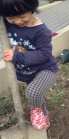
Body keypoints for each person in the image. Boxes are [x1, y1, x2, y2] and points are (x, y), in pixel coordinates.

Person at [0, 0, 58, 130]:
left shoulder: (42, 31)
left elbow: (44, 54)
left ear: (31, 9)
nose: (17, 21)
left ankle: (36, 111)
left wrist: (16, 56)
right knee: (37, 96)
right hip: (28, 72)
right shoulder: (7, 23)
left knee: (32, 92)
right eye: (11, 18)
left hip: (45, 69)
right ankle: (44, 115)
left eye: (22, 17)